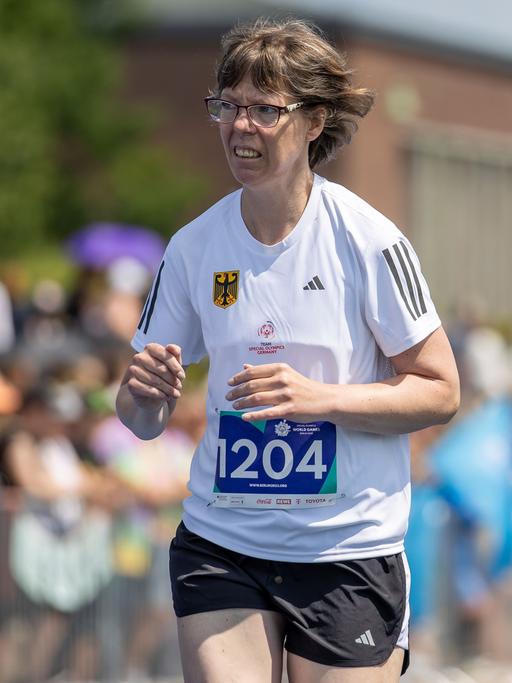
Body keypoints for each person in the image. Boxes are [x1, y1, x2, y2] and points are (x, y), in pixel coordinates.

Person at [116, 17, 460, 683]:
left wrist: (319, 400)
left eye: (266, 110)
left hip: (348, 550)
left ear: (312, 121)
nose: (241, 127)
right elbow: (139, 419)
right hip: (225, 541)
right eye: (230, 106)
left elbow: (441, 389)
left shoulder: (368, 241)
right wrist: (143, 394)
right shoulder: (193, 247)